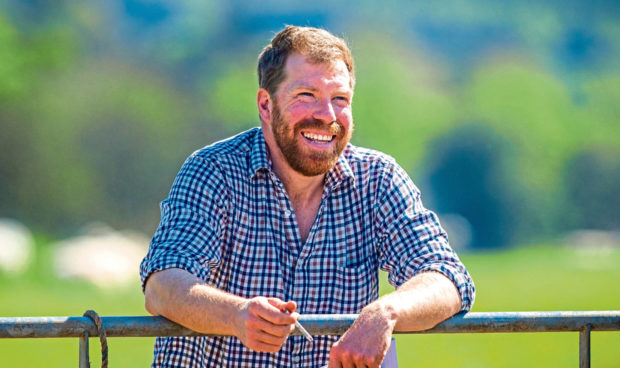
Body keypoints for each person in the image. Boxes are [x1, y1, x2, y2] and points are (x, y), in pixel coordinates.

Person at [140, 25, 475, 368]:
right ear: (266, 105)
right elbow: (163, 285)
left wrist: (385, 312)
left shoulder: (379, 179)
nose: (327, 116)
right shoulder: (212, 171)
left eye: (340, 100)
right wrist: (236, 314)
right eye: (306, 96)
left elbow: (447, 276)